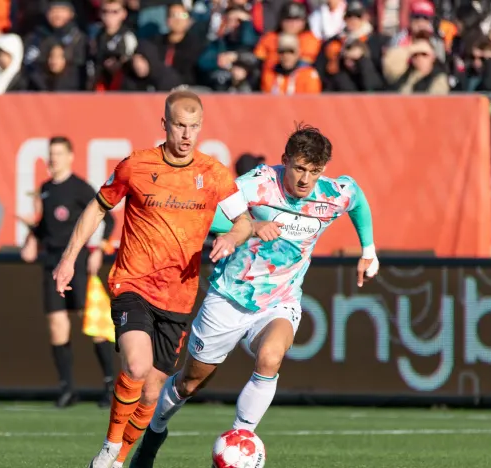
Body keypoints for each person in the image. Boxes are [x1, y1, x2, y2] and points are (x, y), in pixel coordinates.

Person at [129, 123, 380, 467]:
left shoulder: (332, 193)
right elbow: (208, 214)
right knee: (189, 384)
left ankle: (240, 442)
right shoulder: (257, 184)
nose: (306, 180)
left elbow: (358, 199)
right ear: (285, 161)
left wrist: (368, 250)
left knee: (270, 358)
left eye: (315, 171)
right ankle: (154, 434)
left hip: (280, 300)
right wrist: (247, 226)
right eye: (299, 169)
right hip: (229, 297)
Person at [52, 89, 254, 468]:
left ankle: (119, 460)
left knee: (151, 393)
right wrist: (68, 259)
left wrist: (231, 236)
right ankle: (109, 450)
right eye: (180, 125)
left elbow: (243, 221)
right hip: (133, 283)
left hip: (178, 296)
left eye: (194, 127)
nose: (186, 134)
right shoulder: (137, 165)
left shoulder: (213, 174)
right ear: (164, 124)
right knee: (137, 365)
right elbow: (98, 207)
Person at [20, 136, 118, 409]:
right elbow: (45, 229)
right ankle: (67, 388)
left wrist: (98, 248)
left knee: (92, 324)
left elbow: (108, 217)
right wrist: (31, 234)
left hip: (76, 260)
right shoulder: (46, 189)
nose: (54, 159)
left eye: (59, 154)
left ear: (70, 156)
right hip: (52, 263)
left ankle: (110, 385)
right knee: (57, 324)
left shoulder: (79, 187)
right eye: (51, 154)